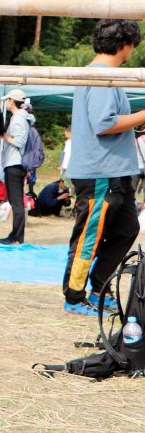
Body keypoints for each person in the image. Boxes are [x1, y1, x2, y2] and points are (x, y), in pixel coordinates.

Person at [63, 19, 142, 316]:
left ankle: (98, 288)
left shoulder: (107, 75)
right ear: (125, 45)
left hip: (115, 170)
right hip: (99, 172)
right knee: (89, 237)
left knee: (126, 229)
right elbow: (104, 124)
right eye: (133, 45)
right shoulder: (101, 77)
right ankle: (73, 296)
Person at [0, 88, 33, 245]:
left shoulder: (18, 119)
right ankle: (16, 235)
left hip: (14, 164)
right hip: (16, 164)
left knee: (16, 202)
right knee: (16, 202)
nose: (6, 102)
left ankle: (16, 236)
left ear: (12, 101)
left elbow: (19, 141)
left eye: (7, 100)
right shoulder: (21, 117)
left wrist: (4, 136)